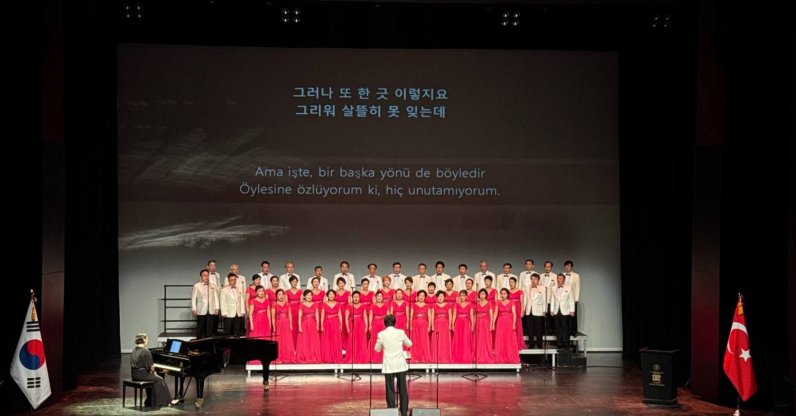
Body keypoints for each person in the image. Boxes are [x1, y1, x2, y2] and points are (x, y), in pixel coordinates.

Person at [374, 314, 412, 416]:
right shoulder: (400, 332)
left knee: (390, 389)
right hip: (400, 365)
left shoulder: (381, 334)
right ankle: (404, 412)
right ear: (395, 323)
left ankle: (391, 411)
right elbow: (409, 344)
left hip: (389, 366)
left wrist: (382, 345)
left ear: (385, 324)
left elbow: (377, 349)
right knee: (403, 389)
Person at [130, 333, 178, 407]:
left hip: (134, 375)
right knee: (160, 379)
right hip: (142, 375)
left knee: (156, 379)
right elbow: (151, 367)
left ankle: (150, 400)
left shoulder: (134, 350)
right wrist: (154, 373)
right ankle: (167, 401)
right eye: (147, 338)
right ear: (144, 340)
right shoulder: (146, 351)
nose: (147, 340)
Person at [550, 273, 575, 349]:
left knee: (565, 327)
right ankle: (559, 342)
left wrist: (572, 310)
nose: (559, 280)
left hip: (565, 310)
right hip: (556, 310)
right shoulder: (553, 288)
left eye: (560, 278)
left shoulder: (569, 287)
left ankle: (566, 343)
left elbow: (571, 300)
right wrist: (551, 310)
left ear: (564, 279)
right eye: (558, 278)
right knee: (557, 327)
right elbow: (552, 299)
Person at [191, 269, 219, 339]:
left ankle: (208, 345)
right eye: (204, 275)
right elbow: (194, 298)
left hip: (211, 309)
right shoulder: (197, 286)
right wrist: (194, 309)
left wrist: (217, 307)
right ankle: (198, 343)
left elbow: (216, 297)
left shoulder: (213, 285)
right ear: (201, 277)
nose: (206, 277)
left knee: (210, 329)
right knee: (200, 327)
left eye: (207, 275)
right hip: (201, 309)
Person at [563, 260, 581, 337]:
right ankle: (565, 331)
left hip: (572, 298)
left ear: (571, 267)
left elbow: (577, 287)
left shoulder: (576, 276)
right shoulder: (561, 275)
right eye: (566, 266)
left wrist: (576, 299)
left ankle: (573, 331)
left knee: (573, 316)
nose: (567, 267)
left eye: (569, 266)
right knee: (564, 315)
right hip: (563, 299)